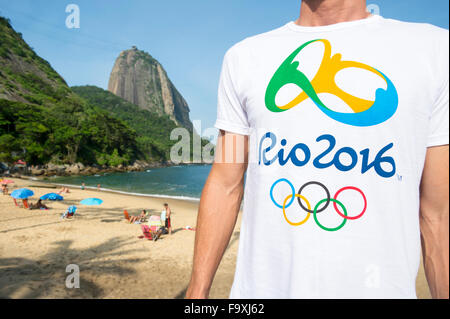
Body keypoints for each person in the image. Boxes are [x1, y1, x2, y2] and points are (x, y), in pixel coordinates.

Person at [186, 0, 449, 299]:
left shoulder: (435, 50)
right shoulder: (244, 57)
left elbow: (438, 214)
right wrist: (197, 292)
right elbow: (225, 183)